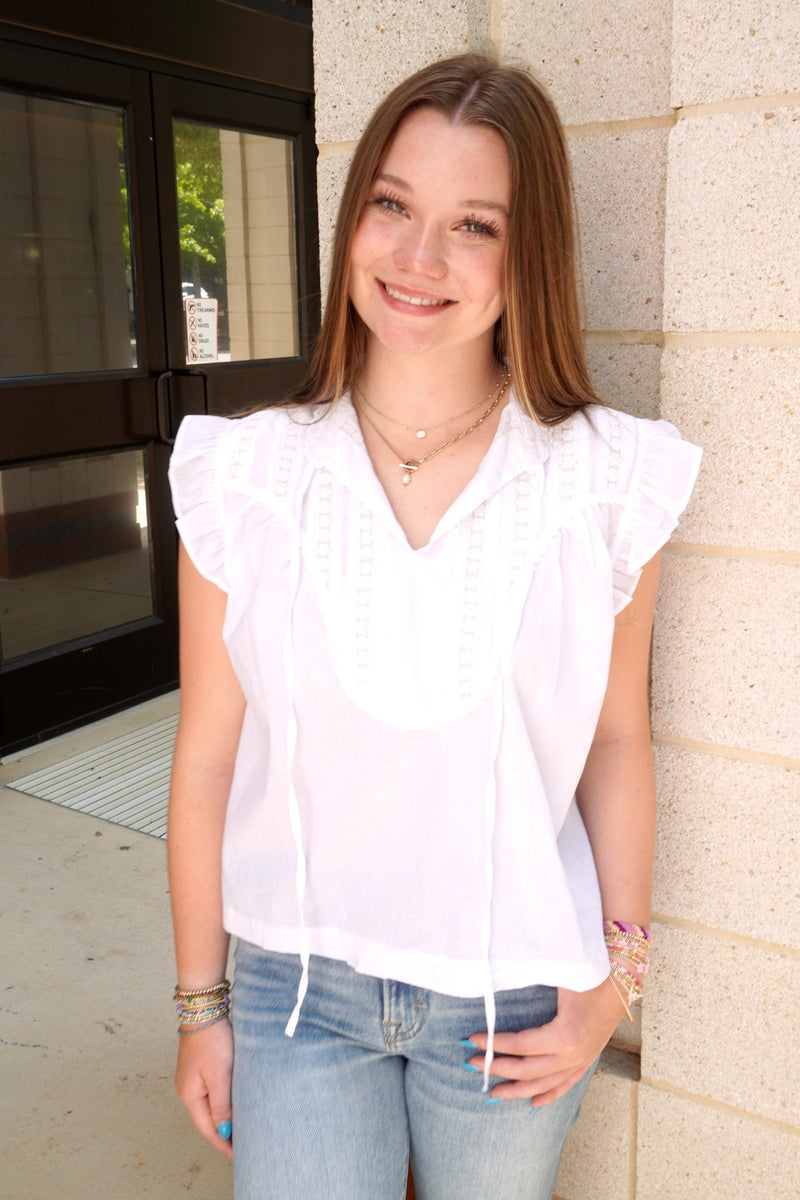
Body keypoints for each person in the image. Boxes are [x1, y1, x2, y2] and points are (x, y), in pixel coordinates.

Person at [167, 53, 701, 1200]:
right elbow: (206, 758)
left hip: (515, 1001)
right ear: (351, 218)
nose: (417, 257)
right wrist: (199, 1006)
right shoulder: (243, 478)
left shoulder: (604, 482)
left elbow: (614, 740)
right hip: (296, 993)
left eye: (472, 225)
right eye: (392, 205)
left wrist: (616, 983)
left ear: (527, 253)